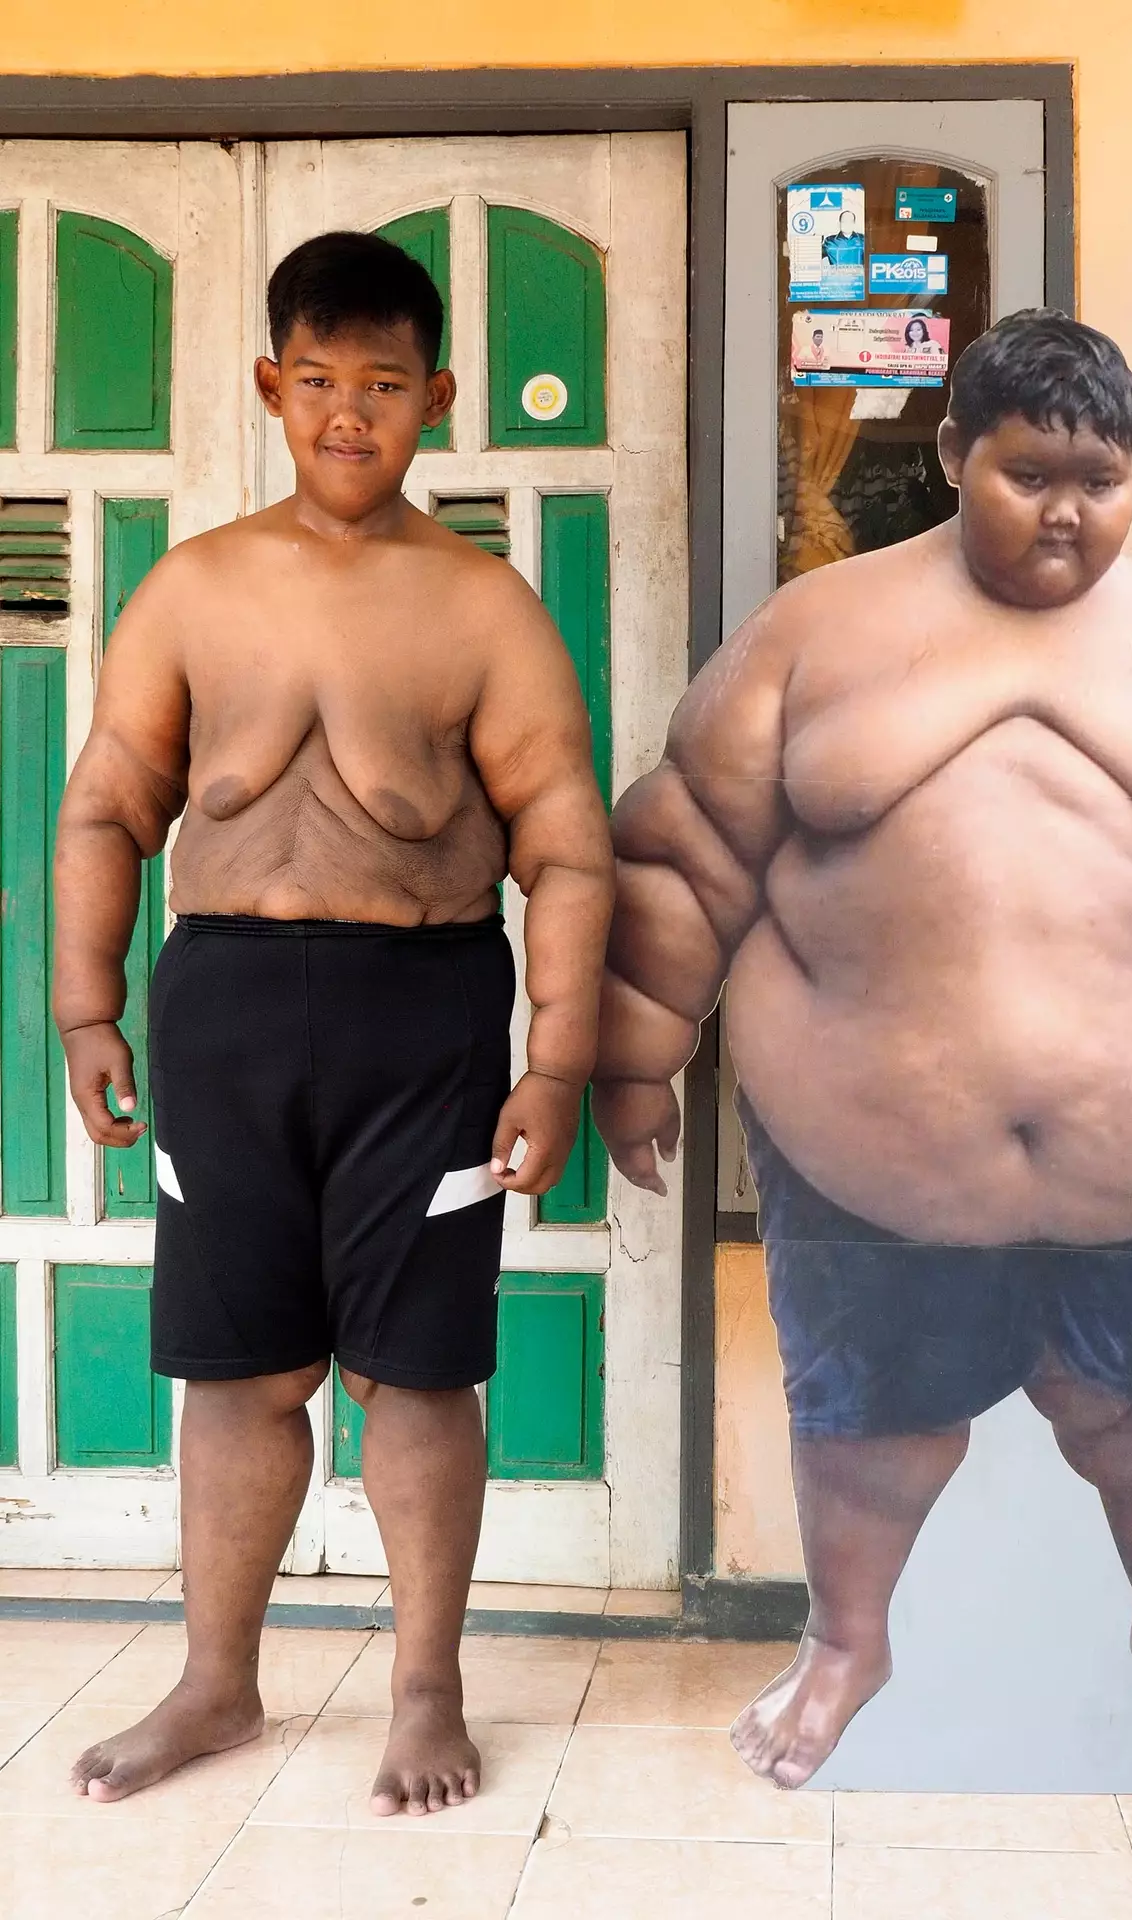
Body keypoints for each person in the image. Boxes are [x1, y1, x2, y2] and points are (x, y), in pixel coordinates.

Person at [592, 309, 1132, 1789]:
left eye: (1104, 478)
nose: (1068, 511)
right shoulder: (816, 635)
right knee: (867, 1423)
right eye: (1031, 473)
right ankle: (847, 1642)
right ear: (956, 454)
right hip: (871, 1156)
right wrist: (637, 1055)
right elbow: (686, 852)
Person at [52, 231, 613, 1813]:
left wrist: (557, 1060)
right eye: (317, 384)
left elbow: (565, 844)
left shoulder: (482, 607)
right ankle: (217, 1681)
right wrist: (84, 1006)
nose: (348, 416)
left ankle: (423, 1688)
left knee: (419, 1374)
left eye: (382, 386)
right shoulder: (195, 588)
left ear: (436, 397)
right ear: (270, 389)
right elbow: (108, 809)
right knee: (235, 1374)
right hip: (223, 1004)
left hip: (421, 1016)